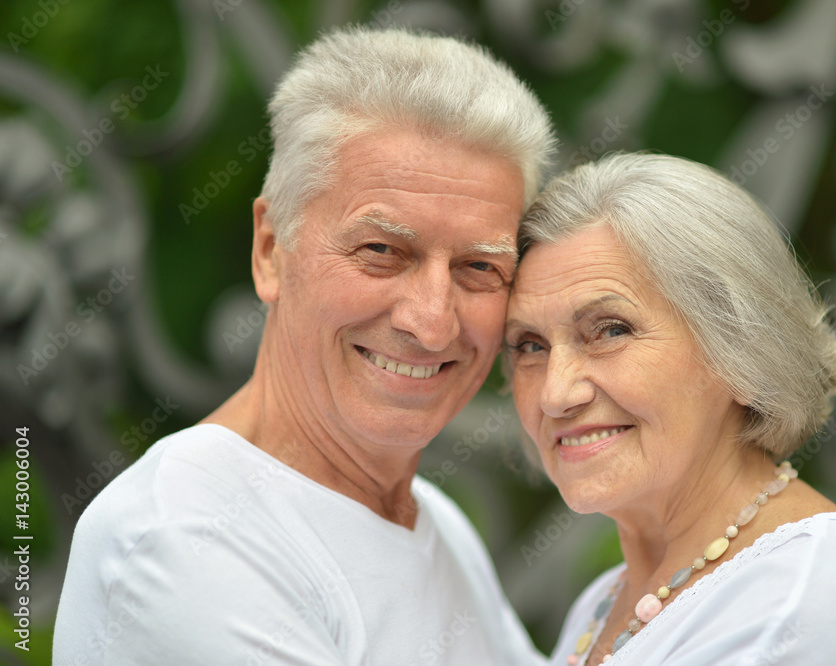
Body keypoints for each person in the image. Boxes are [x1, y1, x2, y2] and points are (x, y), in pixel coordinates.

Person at [53, 26, 555, 665]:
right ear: (270, 250)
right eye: (381, 251)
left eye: (479, 268)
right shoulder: (182, 541)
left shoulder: (433, 522)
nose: (433, 323)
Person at [504, 153, 836, 665]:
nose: (555, 394)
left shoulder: (798, 605)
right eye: (530, 345)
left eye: (610, 330)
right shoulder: (608, 599)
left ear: (737, 350)